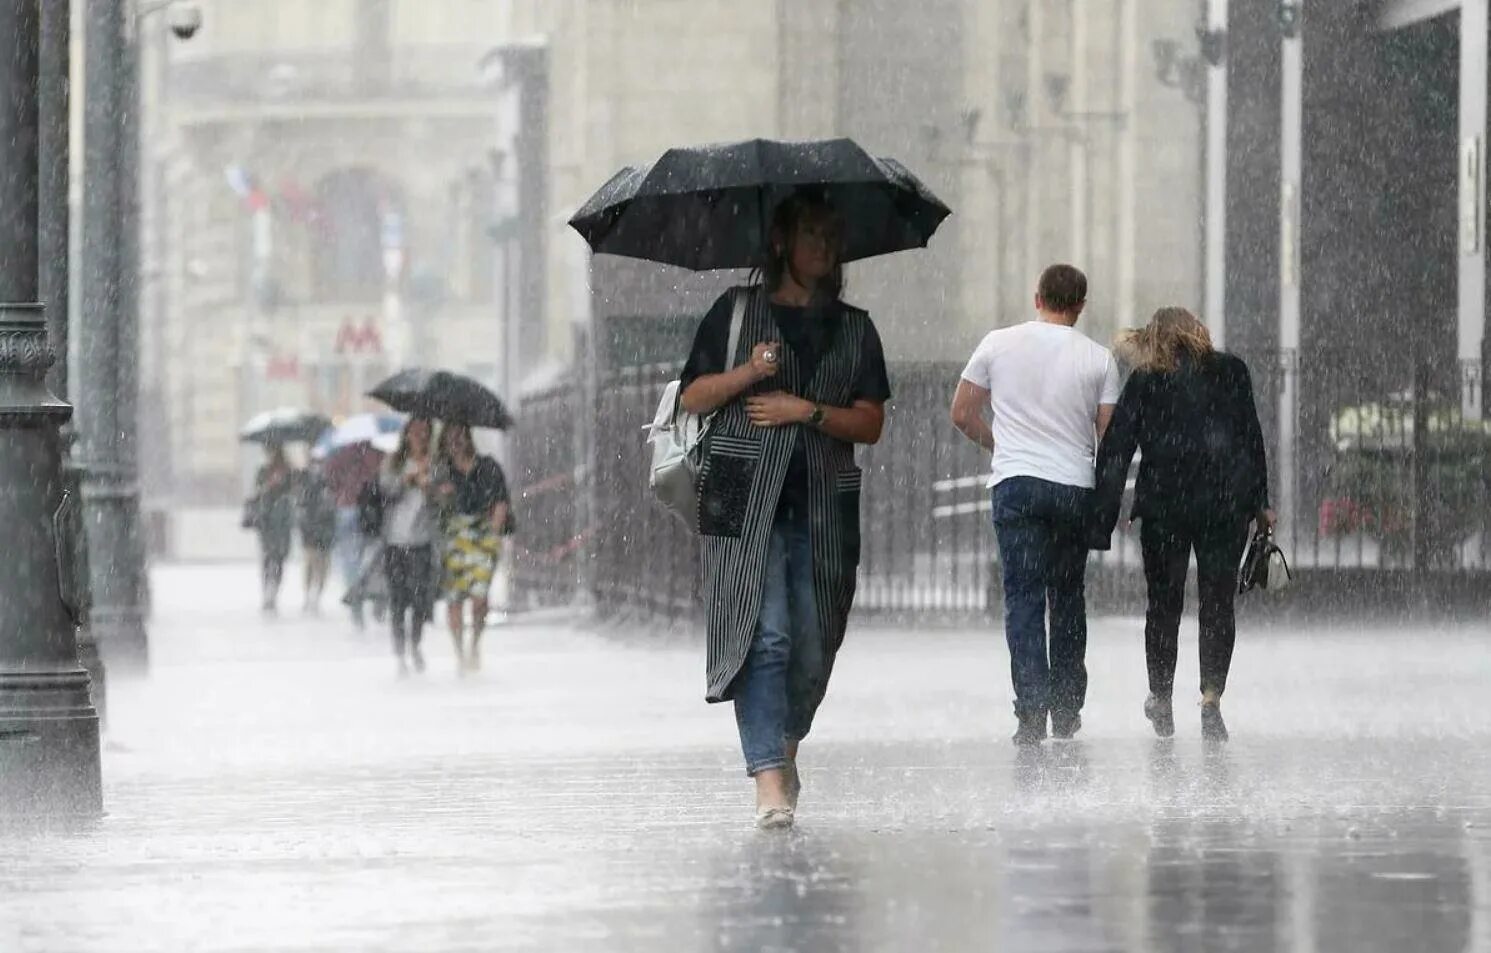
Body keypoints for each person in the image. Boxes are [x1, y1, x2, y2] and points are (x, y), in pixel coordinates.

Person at [679, 190, 891, 830]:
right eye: (812, 236)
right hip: (743, 497)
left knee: (814, 640)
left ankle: (784, 746)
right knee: (763, 634)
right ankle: (768, 778)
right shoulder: (736, 313)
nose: (824, 248)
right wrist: (747, 373)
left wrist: (808, 412)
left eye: (832, 237)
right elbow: (693, 397)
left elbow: (871, 423)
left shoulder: (856, 328)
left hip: (824, 502)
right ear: (781, 243)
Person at [949, 264, 1120, 745]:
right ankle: (1066, 708)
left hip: (1017, 484)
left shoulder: (997, 343)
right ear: (1081, 305)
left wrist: (1000, 445)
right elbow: (1108, 438)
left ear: (1037, 297)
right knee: (1067, 597)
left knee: (1022, 599)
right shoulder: (1100, 360)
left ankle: (1030, 711)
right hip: (1073, 487)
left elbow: (961, 412)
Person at [1091, 307, 1273, 742]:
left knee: (1164, 605)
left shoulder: (1147, 379)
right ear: (1198, 331)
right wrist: (1260, 502)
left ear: (1154, 337)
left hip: (1164, 508)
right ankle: (1211, 698)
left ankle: (1161, 697)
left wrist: (1104, 510)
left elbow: (1117, 448)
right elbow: (1251, 438)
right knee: (1216, 602)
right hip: (1224, 507)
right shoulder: (1231, 371)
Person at [433, 422, 511, 673]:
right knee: (454, 600)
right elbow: (431, 505)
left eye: (460, 436)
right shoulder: (441, 471)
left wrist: (494, 534)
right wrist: (440, 494)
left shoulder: (488, 467)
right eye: (450, 437)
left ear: (468, 438)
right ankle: (459, 652)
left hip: (482, 536)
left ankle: (474, 643)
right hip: (453, 538)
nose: (455, 442)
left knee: (479, 599)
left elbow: (501, 500)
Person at [378, 417, 439, 675]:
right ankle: (399, 651)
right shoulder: (393, 461)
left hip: (421, 541)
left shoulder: (436, 463)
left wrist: (430, 488)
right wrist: (406, 479)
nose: (419, 436)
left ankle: (415, 644)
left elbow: (442, 501)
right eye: (415, 432)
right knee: (397, 599)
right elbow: (384, 490)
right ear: (406, 434)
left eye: (424, 432)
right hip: (394, 540)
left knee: (419, 599)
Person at [325, 441, 385, 628]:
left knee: (351, 561)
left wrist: (342, 491)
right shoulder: (378, 454)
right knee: (374, 559)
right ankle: (376, 599)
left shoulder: (340, 456)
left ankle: (357, 603)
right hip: (371, 511)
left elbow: (330, 480)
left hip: (347, 508)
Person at [247, 443, 298, 614]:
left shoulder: (289, 472)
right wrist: (267, 486)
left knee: (279, 558)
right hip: (267, 521)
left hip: (282, 521)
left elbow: (295, 493)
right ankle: (267, 592)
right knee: (268, 558)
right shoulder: (263, 471)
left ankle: (274, 591)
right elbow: (256, 492)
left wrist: (283, 485)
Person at [298, 459, 338, 613]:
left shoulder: (330, 481)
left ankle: (315, 595)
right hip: (313, 532)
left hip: (323, 532)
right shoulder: (306, 481)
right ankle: (310, 595)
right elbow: (302, 506)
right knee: (313, 564)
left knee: (321, 565)